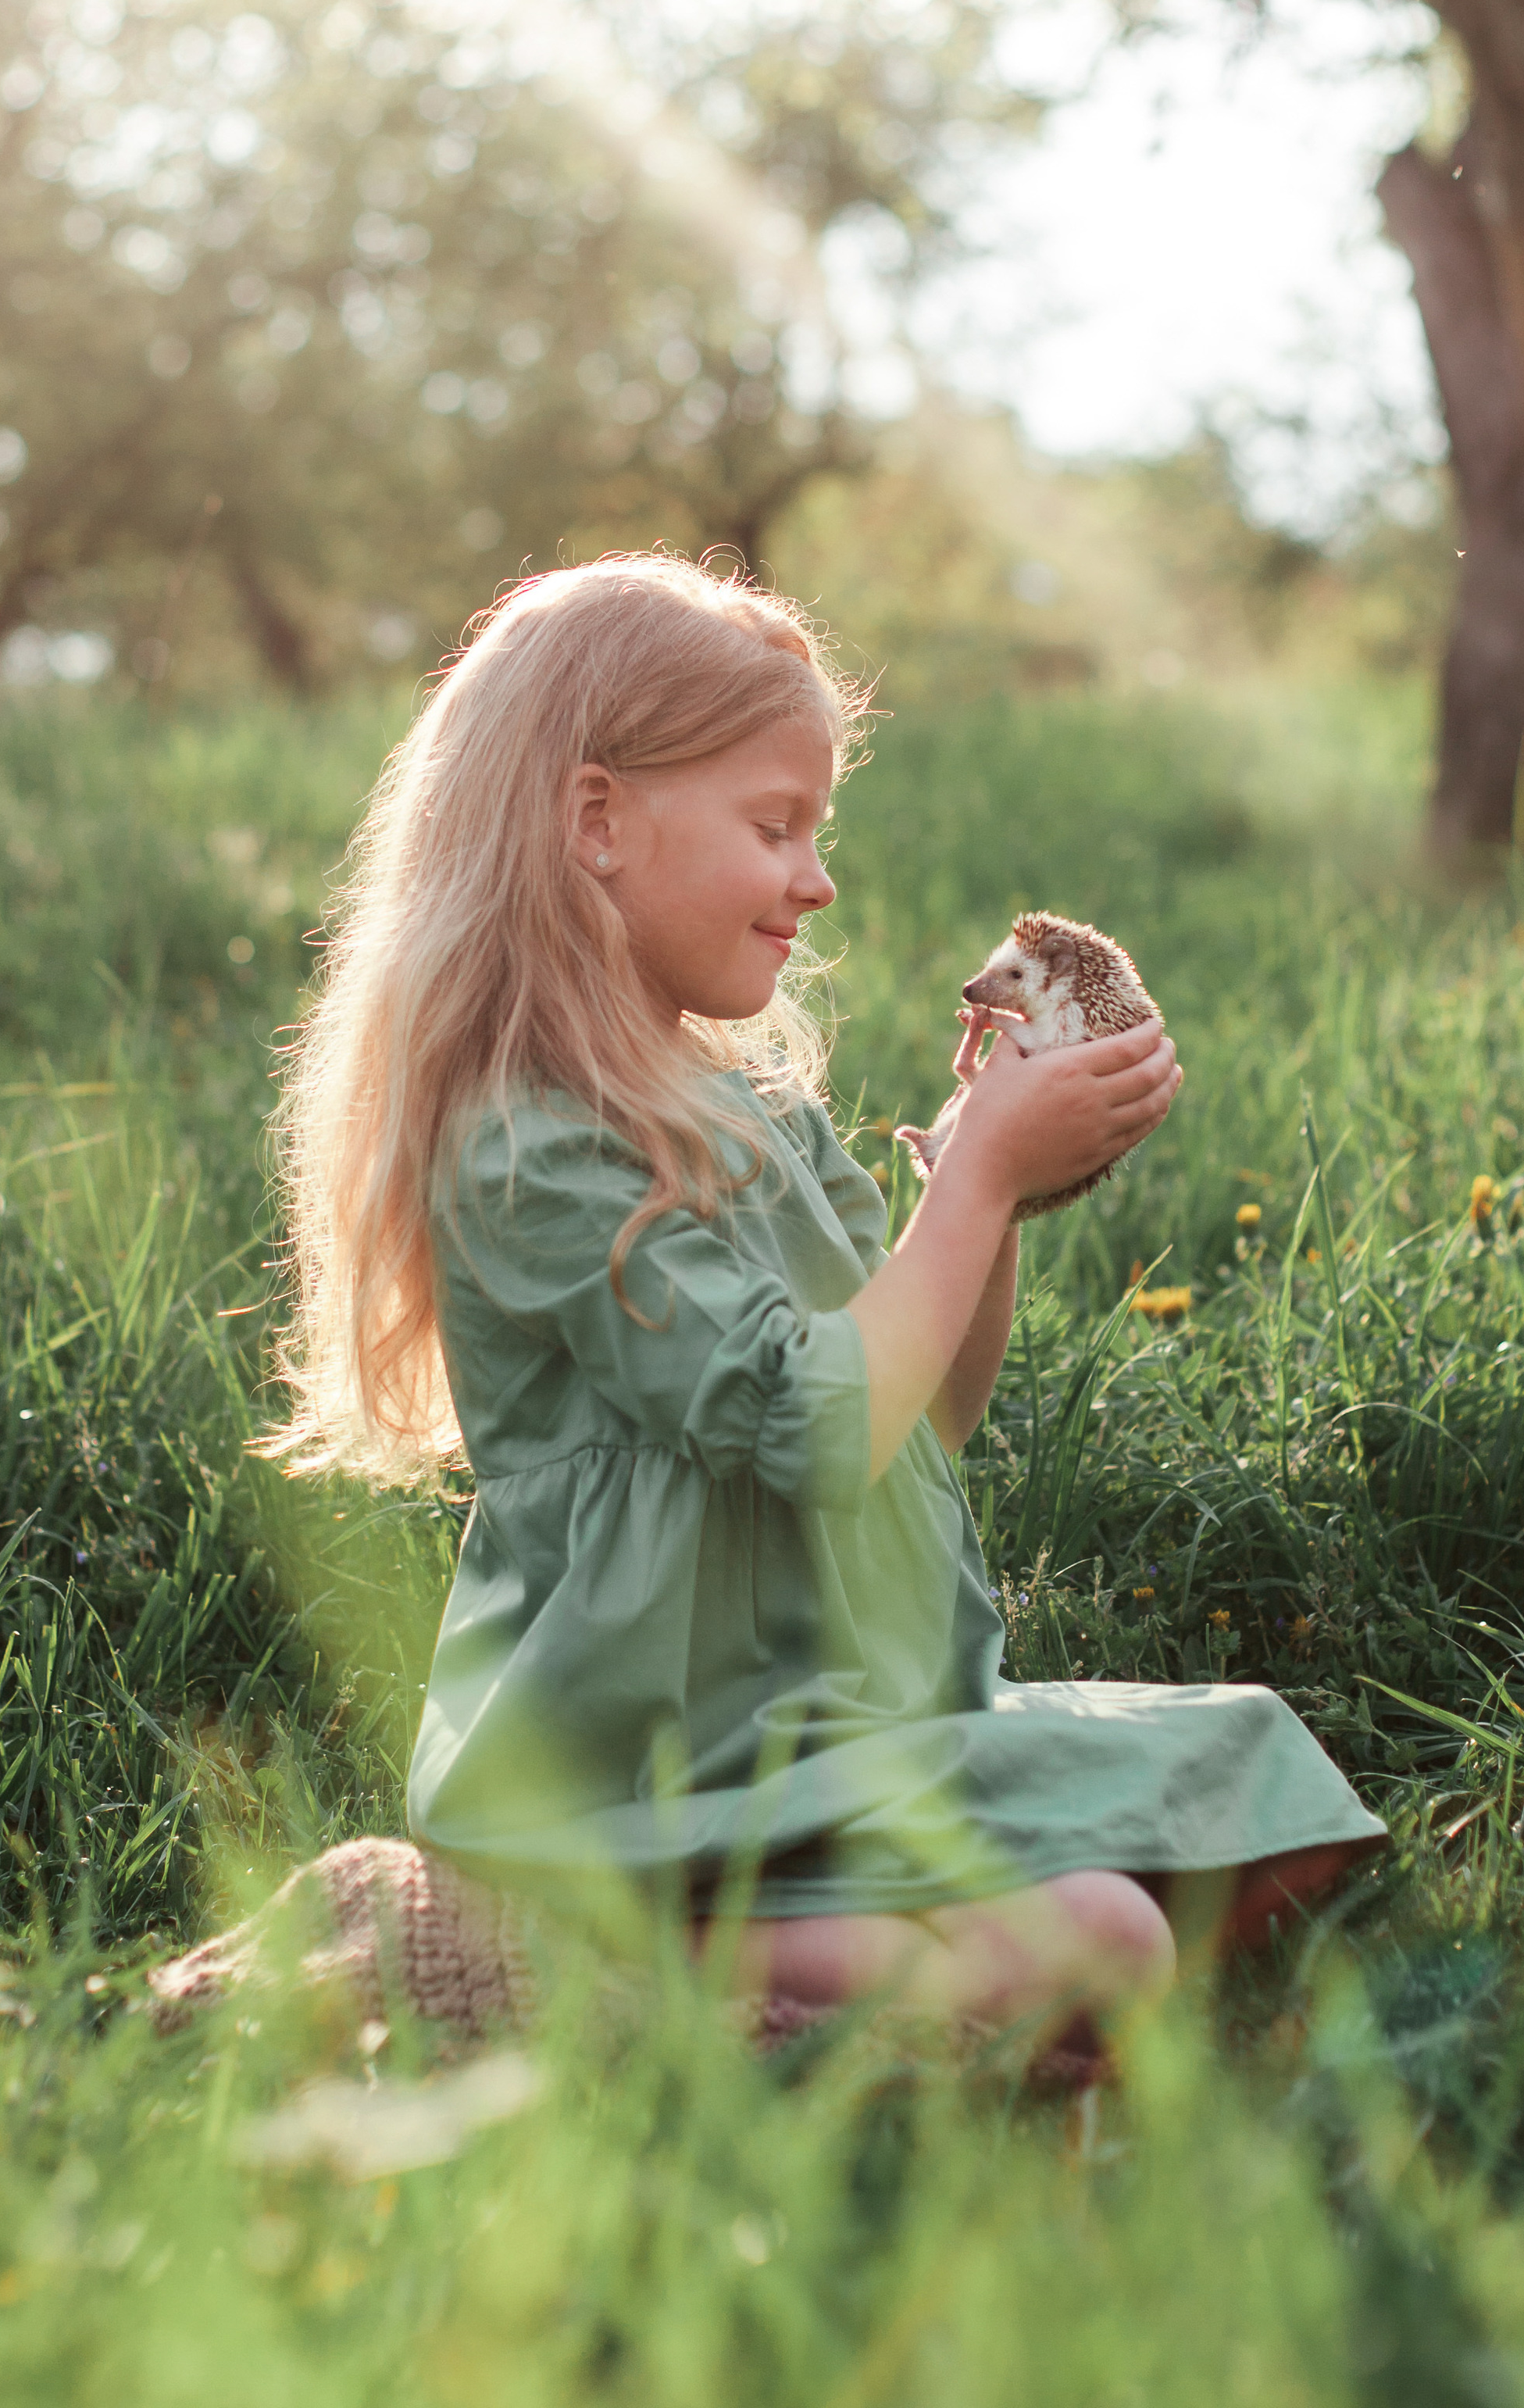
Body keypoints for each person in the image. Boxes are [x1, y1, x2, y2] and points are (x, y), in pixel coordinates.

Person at [259, 554, 1381, 2050]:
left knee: (1269, 1779)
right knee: (1112, 1930)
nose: (817, 878)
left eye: (817, 829)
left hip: (852, 1731)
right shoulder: (530, 1149)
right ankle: (640, 1948)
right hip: (654, 1762)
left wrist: (995, 1195)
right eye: (775, 826)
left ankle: (906, 1970)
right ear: (596, 820)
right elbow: (814, 1433)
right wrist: (975, 1182)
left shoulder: (760, 1114)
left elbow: (923, 1410)